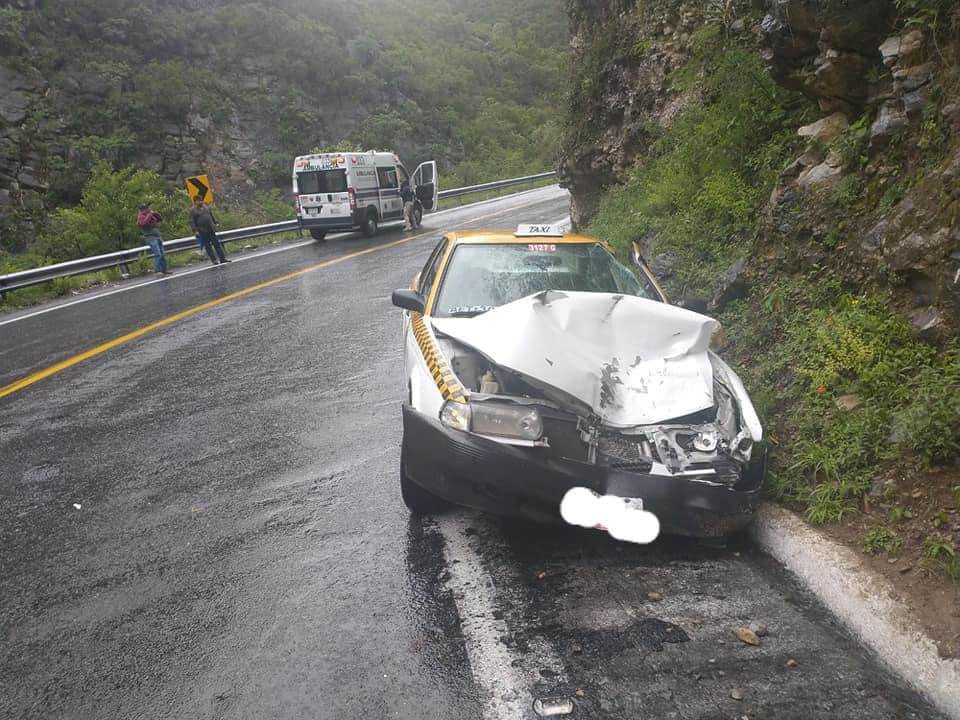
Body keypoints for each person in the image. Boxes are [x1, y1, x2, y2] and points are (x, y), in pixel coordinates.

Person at [189, 195, 230, 265]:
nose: (201, 202)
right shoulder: (192, 210)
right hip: (202, 230)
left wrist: (215, 222)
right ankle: (214, 260)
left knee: (217, 244)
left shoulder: (206, 207)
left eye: (201, 200)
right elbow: (192, 221)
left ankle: (222, 258)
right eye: (199, 201)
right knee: (208, 246)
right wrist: (195, 231)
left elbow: (211, 215)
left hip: (211, 228)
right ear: (195, 201)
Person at [137, 203, 169, 275]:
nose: (148, 209)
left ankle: (164, 269)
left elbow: (160, 219)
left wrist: (155, 213)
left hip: (157, 236)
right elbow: (143, 223)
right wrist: (149, 215)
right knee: (158, 254)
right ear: (142, 210)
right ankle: (157, 271)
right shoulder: (141, 217)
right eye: (146, 208)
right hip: (151, 237)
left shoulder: (150, 214)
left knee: (162, 254)